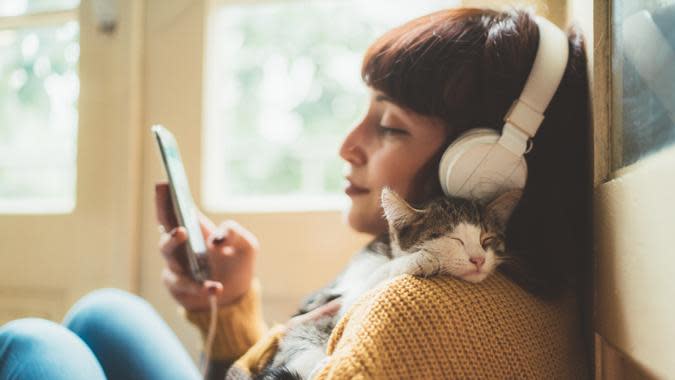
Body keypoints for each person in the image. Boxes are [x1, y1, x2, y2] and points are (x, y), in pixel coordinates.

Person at [0, 7, 591, 379]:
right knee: (106, 311)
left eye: (390, 126)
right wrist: (229, 306)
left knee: (29, 341)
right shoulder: (435, 265)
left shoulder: (416, 315)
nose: (347, 145)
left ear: (481, 168)